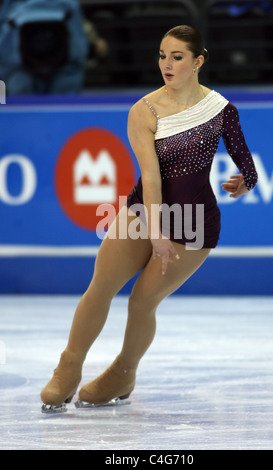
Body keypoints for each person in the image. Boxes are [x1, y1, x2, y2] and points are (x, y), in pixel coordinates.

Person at [41, 25, 258, 412]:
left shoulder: (221, 110)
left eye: (177, 57)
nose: (167, 64)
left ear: (198, 61)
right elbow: (153, 177)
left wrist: (245, 182)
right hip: (145, 210)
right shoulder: (145, 109)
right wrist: (155, 231)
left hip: (194, 224)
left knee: (142, 303)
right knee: (102, 285)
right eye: (162, 55)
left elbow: (246, 163)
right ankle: (68, 367)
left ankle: (123, 373)